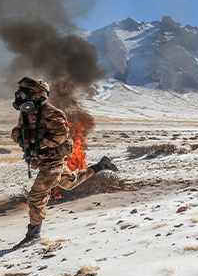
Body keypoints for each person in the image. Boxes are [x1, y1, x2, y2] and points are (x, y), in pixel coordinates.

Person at [10, 77, 117, 249]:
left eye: (25, 92)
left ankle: (33, 234)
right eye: (20, 92)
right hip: (43, 159)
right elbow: (16, 131)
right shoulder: (26, 112)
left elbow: (59, 137)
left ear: (38, 95)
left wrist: (37, 144)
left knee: (37, 196)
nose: (21, 96)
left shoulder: (52, 113)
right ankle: (101, 165)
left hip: (54, 159)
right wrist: (21, 138)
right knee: (69, 183)